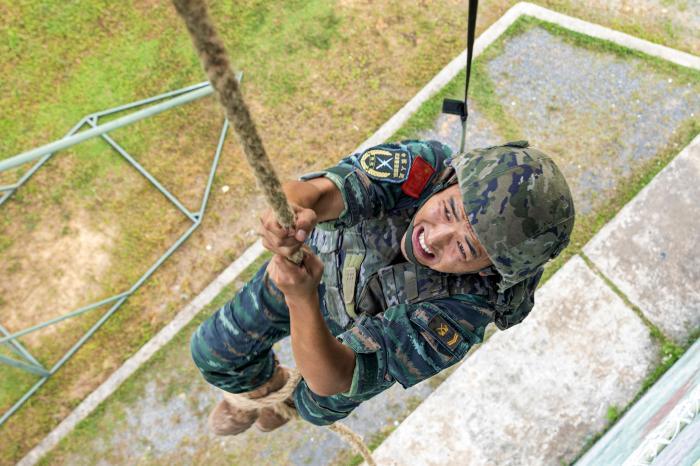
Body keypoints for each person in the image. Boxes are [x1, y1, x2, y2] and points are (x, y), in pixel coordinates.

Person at [190, 139, 575, 434]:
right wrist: (291, 212)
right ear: (451, 183)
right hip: (321, 273)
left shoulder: (463, 313)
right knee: (211, 350)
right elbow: (321, 192)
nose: (434, 237)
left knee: (312, 405)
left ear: (488, 271)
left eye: (464, 247)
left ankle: (282, 405)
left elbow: (334, 378)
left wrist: (300, 298)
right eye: (449, 210)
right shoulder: (423, 169)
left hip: (339, 345)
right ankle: (262, 391)